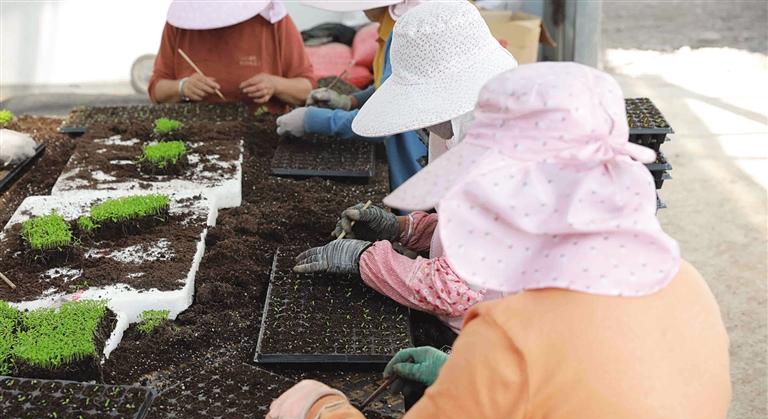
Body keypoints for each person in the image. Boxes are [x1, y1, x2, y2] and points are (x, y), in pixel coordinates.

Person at [266, 63, 732, 419]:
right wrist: (463, 379)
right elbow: (598, 406)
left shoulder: (511, 334)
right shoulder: (686, 284)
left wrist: (321, 410)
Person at [292, 0, 518, 333]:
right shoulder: (473, 125)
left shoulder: (492, 160)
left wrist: (364, 258)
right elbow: (477, 234)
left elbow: (452, 290)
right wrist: (404, 230)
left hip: (498, 336)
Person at [276, 0, 429, 190]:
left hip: (415, 166)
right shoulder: (393, 31)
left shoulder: (408, 36)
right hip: (411, 156)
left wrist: (312, 119)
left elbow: (383, 121)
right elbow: (390, 87)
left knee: (418, 214)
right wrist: (350, 101)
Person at [148, 0, 314, 113]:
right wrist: (182, 87)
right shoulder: (181, 23)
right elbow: (157, 89)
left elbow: (307, 89)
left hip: (262, 134)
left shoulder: (273, 19)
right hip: (194, 132)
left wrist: (275, 85)